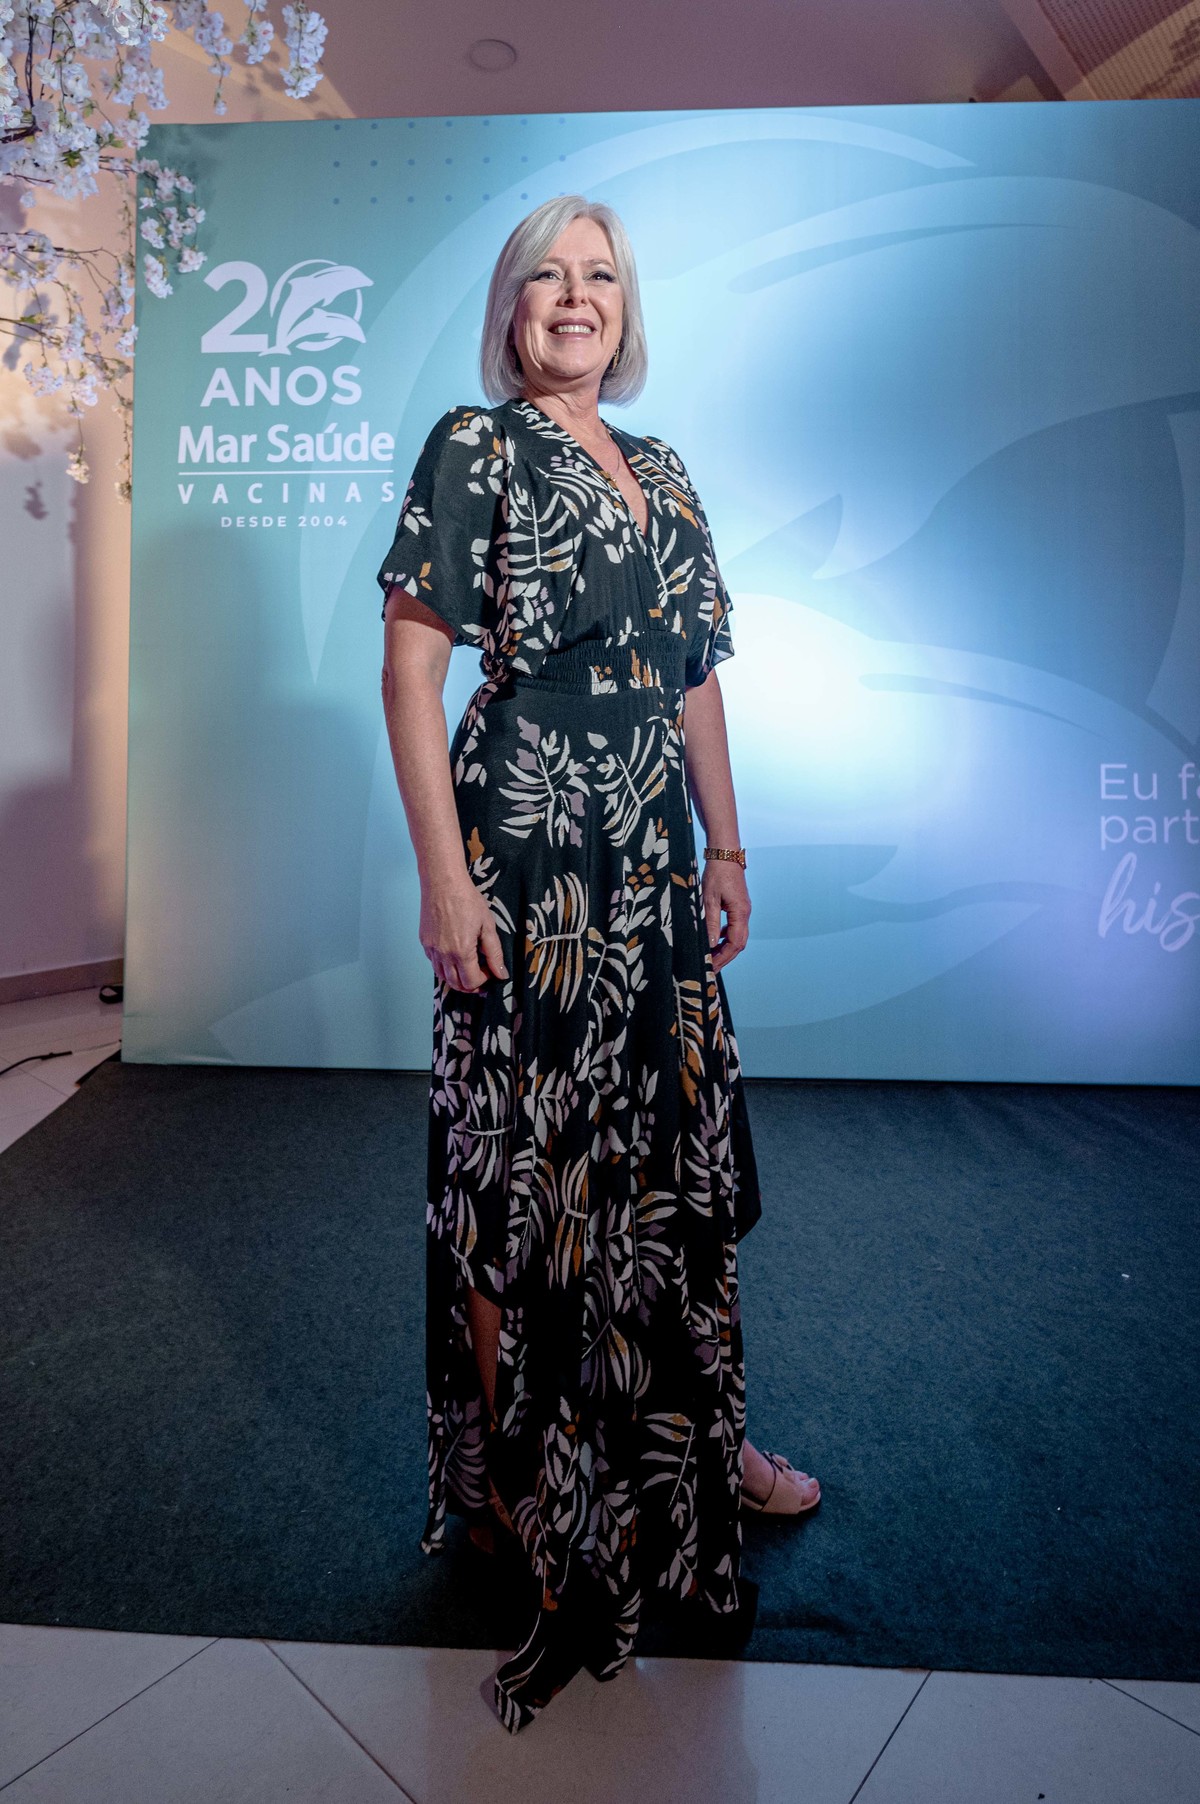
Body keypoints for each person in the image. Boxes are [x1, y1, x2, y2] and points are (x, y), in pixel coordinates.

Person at [377, 195, 820, 1732]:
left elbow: (692, 679)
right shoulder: (474, 447)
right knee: (526, 1175)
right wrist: (445, 876)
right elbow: (411, 671)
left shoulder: (669, 469)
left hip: (650, 865)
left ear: (628, 308)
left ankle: (692, 1456)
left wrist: (728, 847)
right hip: (524, 854)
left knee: (666, 1170)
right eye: (549, 277)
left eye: (602, 276)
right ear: (511, 309)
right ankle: (522, 1493)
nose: (577, 297)